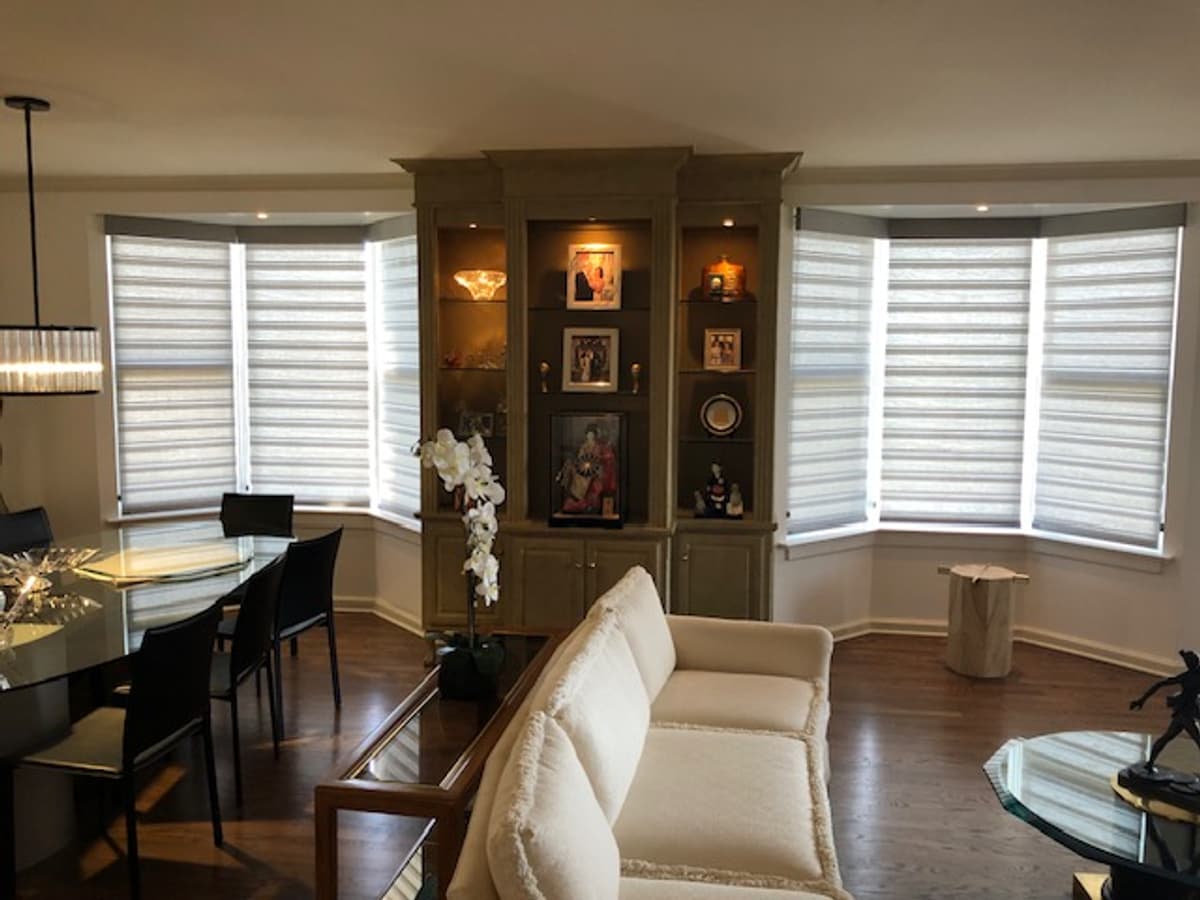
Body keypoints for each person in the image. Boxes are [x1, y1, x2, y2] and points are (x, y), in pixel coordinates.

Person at [1130, 649, 1200, 769]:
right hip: (1185, 715)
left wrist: (1142, 700)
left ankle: (1150, 763)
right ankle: (1150, 763)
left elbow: (1160, 684)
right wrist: (1141, 700)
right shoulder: (1190, 677)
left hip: (1183, 713)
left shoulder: (1187, 676)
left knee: (1166, 738)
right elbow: (1160, 684)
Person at [558, 423, 618, 515]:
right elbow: (581, 458)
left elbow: (605, 458)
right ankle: (576, 497)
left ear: (595, 435)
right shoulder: (584, 446)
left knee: (592, 480)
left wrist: (599, 461)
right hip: (585, 468)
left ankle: (588, 503)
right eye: (588, 434)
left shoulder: (600, 446)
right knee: (574, 472)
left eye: (592, 434)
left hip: (595, 469)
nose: (590, 436)